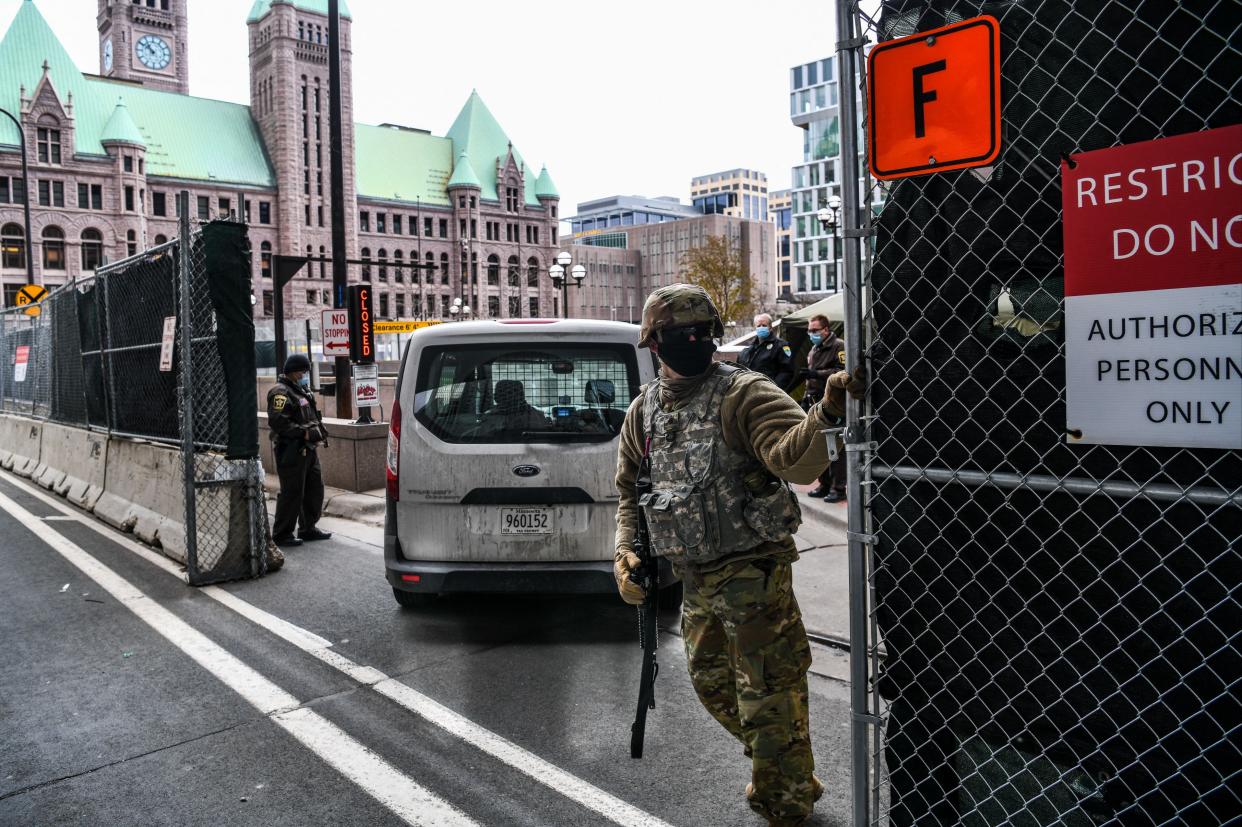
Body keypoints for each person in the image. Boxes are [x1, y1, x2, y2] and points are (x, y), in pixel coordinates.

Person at [612, 284, 860, 827]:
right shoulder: (645, 410)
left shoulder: (745, 393)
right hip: (695, 577)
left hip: (754, 574)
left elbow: (792, 459)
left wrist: (826, 412)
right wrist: (626, 551)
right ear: (655, 342)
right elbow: (630, 488)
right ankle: (790, 769)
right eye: (681, 335)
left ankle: (783, 803)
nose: (694, 341)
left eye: (703, 331)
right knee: (714, 687)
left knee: (768, 699)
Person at [267, 353, 332, 547]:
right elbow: (278, 422)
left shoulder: (301, 390)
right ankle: (282, 533)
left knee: (314, 489)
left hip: (309, 449)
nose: (305, 374)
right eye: (303, 371)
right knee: (292, 492)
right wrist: (303, 434)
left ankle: (308, 528)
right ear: (294, 371)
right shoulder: (280, 392)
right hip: (292, 450)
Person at [800, 314, 846, 501]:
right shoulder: (814, 349)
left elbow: (842, 372)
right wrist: (805, 398)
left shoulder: (839, 346)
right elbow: (809, 379)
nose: (812, 334)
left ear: (826, 329)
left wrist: (817, 374)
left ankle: (838, 487)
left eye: (815, 330)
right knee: (819, 446)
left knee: (836, 446)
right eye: (809, 331)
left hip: (833, 404)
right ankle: (824, 484)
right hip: (815, 403)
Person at [737, 313, 794, 391]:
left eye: (764, 325)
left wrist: (774, 388)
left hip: (770, 391)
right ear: (755, 328)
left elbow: (787, 371)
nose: (761, 328)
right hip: (750, 391)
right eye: (758, 326)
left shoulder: (781, 345)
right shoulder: (749, 348)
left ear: (770, 327)